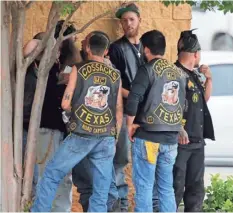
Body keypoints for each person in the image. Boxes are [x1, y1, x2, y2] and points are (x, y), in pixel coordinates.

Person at [31, 31, 123, 212]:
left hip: (81, 134)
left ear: (87, 48)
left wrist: (78, 111)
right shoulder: (115, 75)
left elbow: (65, 103)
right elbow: (118, 109)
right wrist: (115, 136)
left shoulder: (78, 68)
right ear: (106, 51)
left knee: (51, 174)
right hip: (106, 135)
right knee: (101, 187)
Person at [125, 30, 186, 212]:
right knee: (166, 188)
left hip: (149, 138)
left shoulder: (147, 69)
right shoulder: (179, 73)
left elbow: (134, 98)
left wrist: (129, 125)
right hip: (170, 140)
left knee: (144, 187)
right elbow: (183, 104)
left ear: (146, 49)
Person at [173, 29, 215, 212]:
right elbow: (169, 104)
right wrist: (177, 129)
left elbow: (202, 101)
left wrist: (209, 80)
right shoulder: (174, 73)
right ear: (196, 54)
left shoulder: (194, 75)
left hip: (197, 140)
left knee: (196, 188)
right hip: (181, 141)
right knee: (175, 185)